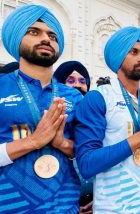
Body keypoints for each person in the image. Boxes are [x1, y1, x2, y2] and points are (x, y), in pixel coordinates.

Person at [0, 4, 82, 212]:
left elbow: (87, 155)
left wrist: (62, 143)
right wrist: (33, 141)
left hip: (65, 207)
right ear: (16, 38)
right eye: (34, 32)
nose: (46, 39)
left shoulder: (74, 96)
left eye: (52, 36)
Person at [74, 26, 140, 213]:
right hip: (117, 208)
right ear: (119, 55)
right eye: (134, 52)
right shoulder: (99, 97)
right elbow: (87, 164)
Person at [53, 60, 93, 213]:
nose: (77, 85)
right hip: (63, 203)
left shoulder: (95, 118)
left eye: (82, 81)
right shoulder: (52, 117)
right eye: (70, 80)